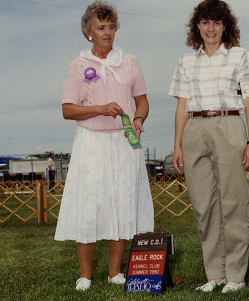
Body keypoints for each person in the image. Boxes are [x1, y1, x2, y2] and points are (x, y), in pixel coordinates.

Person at [54, 1, 154, 291]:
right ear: (88, 31)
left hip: (125, 141)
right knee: (90, 205)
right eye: (101, 27)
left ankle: (114, 273)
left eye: (111, 27)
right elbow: (68, 110)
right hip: (91, 141)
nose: (107, 32)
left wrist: (137, 118)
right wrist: (99, 108)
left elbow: (142, 100)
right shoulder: (78, 65)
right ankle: (85, 275)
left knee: (121, 203)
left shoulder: (130, 61)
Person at [168, 0, 249, 293]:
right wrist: (177, 145)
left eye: (217, 23)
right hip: (195, 129)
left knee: (233, 202)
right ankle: (215, 274)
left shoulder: (240, 56)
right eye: (205, 22)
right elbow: (182, 105)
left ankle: (236, 275)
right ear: (197, 25)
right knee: (204, 204)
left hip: (229, 125)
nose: (211, 29)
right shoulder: (186, 61)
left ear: (226, 26)